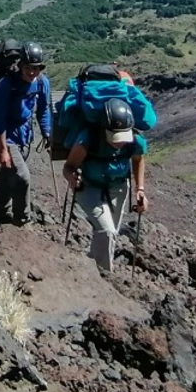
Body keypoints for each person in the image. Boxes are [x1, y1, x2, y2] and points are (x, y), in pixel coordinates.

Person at [63, 97, 150, 273]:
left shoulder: (135, 140)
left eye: (122, 137)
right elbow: (68, 167)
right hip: (89, 187)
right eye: (115, 137)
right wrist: (71, 178)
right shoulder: (87, 139)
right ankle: (104, 276)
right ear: (104, 129)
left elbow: (138, 160)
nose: (120, 142)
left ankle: (91, 269)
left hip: (119, 188)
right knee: (107, 230)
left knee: (110, 234)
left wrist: (140, 189)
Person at [0, 41, 51, 225]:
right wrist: (2, 150)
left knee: (8, 173)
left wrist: (47, 132)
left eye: (36, 68)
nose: (32, 72)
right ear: (21, 65)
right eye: (28, 68)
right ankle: (22, 217)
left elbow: (43, 109)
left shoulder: (41, 82)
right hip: (8, 136)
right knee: (22, 176)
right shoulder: (7, 85)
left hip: (25, 136)